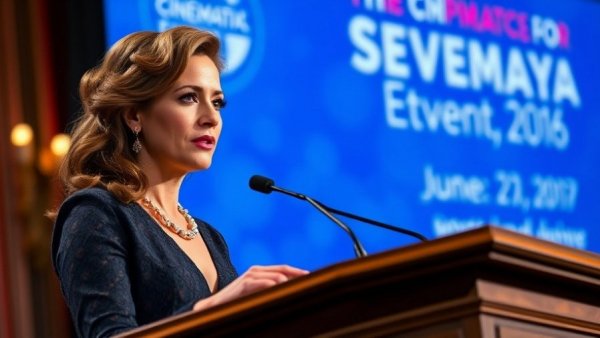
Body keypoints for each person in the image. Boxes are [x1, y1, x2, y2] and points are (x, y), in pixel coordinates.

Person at [50, 26, 308, 338]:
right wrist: (215, 308)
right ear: (134, 115)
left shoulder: (211, 238)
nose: (211, 118)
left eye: (217, 102)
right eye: (188, 98)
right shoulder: (97, 213)